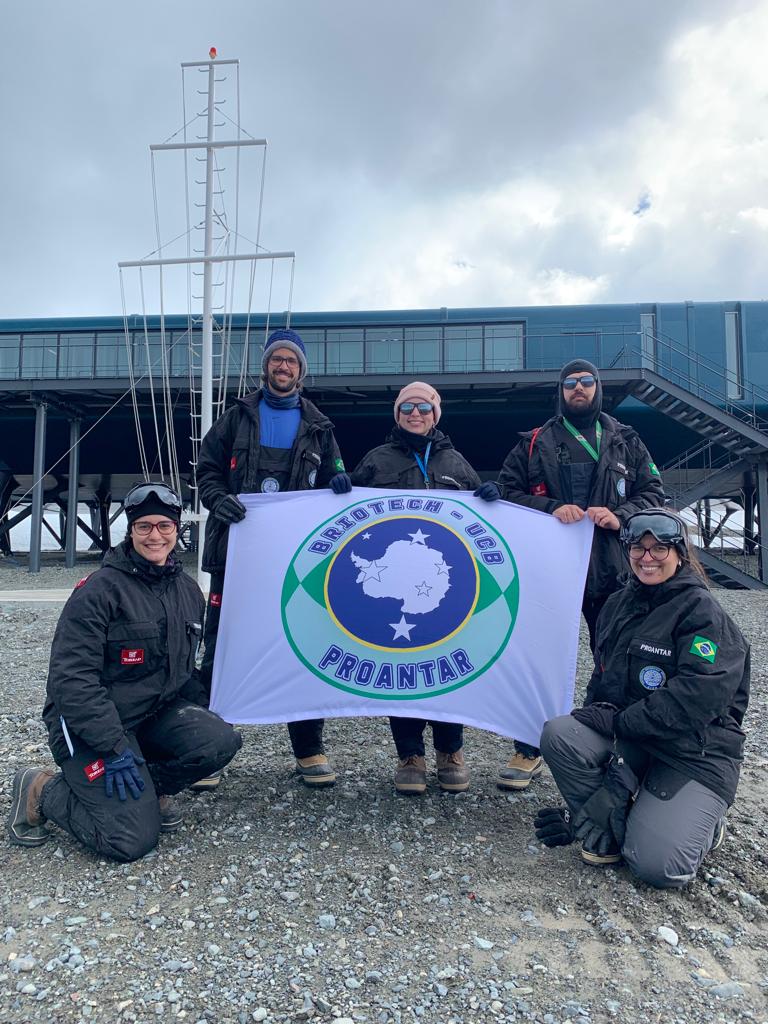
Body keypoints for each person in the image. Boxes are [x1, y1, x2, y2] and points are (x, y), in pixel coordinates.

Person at [7, 482, 242, 862]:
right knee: (129, 841)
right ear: (130, 531)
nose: (155, 536)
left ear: (176, 529)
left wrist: (213, 714)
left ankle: (144, 792)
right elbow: (71, 681)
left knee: (220, 740)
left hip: (149, 716)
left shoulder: (186, 590)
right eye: (144, 526)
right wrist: (113, 746)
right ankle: (40, 789)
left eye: (164, 526)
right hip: (90, 726)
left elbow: (183, 673)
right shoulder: (99, 591)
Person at [534, 509, 749, 886]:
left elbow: (697, 699)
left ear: (679, 552)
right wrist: (608, 741)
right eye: (638, 547)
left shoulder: (704, 613)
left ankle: (702, 824)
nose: (647, 557)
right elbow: (602, 681)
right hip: (634, 738)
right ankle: (610, 826)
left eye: (659, 548)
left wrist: (619, 728)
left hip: (692, 751)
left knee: (657, 868)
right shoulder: (616, 606)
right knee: (560, 733)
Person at [477, 359, 665, 791]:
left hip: (614, 570)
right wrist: (549, 509)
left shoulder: (627, 441)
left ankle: (600, 744)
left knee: (612, 662)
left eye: (586, 382)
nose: (577, 389)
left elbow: (654, 493)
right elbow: (504, 494)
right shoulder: (534, 442)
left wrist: (620, 515)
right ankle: (528, 749)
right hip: (550, 572)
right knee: (537, 660)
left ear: (598, 388)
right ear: (560, 392)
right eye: (569, 383)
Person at [195, 328, 350, 788]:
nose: (283, 367)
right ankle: (205, 748)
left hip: (296, 564)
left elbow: (339, 475)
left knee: (300, 645)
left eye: (292, 362)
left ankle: (308, 749)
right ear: (266, 366)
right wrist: (217, 499)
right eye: (277, 359)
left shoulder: (321, 427)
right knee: (220, 645)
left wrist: (340, 485)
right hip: (236, 556)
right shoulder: (234, 418)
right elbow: (206, 471)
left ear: (303, 371)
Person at [351, 381, 480, 795]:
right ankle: (410, 754)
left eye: (424, 406)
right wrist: (341, 493)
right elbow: (348, 521)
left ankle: (450, 750)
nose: (415, 413)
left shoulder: (456, 463)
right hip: (395, 586)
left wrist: (490, 499)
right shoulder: (375, 461)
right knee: (400, 668)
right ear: (397, 412)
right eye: (407, 406)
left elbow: (482, 525)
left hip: (442, 583)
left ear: (435, 413)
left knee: (445, 665)